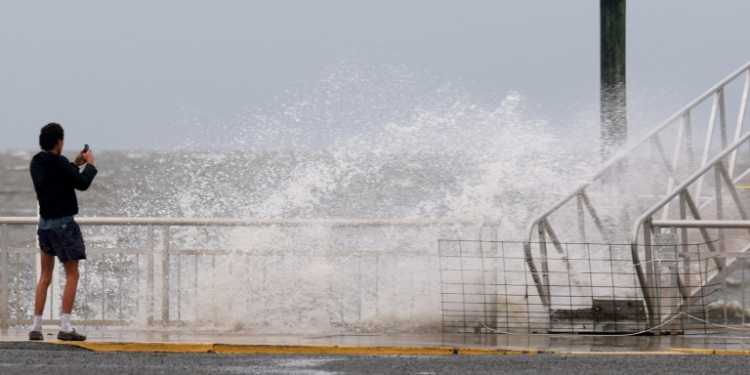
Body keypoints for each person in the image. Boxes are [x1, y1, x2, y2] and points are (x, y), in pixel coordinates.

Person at [28, 123, 97, 341]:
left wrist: (75, 164)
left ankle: (36, 327)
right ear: (60, 141)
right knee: (72, 274)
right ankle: (66, 327)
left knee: (45, 276)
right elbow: (83, 183)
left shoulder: (37, 162)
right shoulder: (59, 164)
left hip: (45, 226)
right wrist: (90, 165)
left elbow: (59, 174)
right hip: (64, 226)